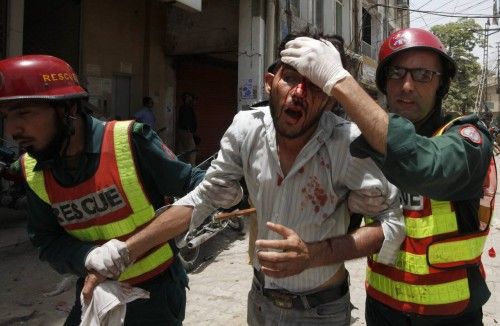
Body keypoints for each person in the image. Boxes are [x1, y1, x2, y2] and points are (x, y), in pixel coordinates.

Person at [83, 33, 406, 325]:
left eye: (316, 85)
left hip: (321, 311)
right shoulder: (246, 128)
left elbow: (391, 223)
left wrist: (314, 255)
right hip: (260, 304)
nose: (298, 93)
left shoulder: (349, 144)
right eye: (290, 78)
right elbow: (205, 196)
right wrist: (121, 253)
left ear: (331, 98)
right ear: (270, 82)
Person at [0, 54, 240, 325]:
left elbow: (197, 186)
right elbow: (48, 240)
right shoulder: (32, 170)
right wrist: (87, 256)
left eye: (22, 113)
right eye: (6, 116)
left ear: (67, 109)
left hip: (156, 294)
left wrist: (129, 250)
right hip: (97, 291)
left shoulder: (129, 141)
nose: (11, 129)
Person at [280, 28, 496, 325]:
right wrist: (344, 204)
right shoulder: (363, 144)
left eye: (422, 75)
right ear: (384, 82)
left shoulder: (466, 140)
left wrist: (340, 80)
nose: (407, 85)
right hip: (382, 310)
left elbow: (422, 165)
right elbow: (332, 228)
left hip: (450, 315)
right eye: (396, 73)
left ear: (441, 85)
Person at [176, 92, 198, 166]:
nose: (191, 99)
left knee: (182, 150)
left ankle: (181, 166)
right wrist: (189, 131)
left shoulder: (185, 107)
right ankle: (192, 168)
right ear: (186, 99)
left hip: (184, 131)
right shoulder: (185, 108)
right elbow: (186, 120)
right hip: (186, 132)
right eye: (189, 97)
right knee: (192, 150)